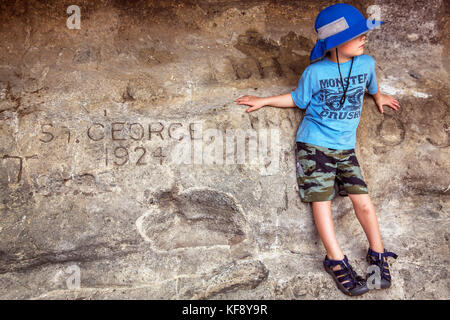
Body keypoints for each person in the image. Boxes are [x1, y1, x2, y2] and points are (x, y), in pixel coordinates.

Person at [234, 3, 400, 296]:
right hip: (314, 144)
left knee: (363, 202)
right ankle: (335, 259)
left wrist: (379, 96)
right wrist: (264, 100)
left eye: (365, 33)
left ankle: (377, 254)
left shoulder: (366, 64)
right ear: (335, 43)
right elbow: (298, 99)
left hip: (345, 148)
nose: (365, 38)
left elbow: (370, 86)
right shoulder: (316, 72)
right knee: (321, 201)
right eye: (358, 34)